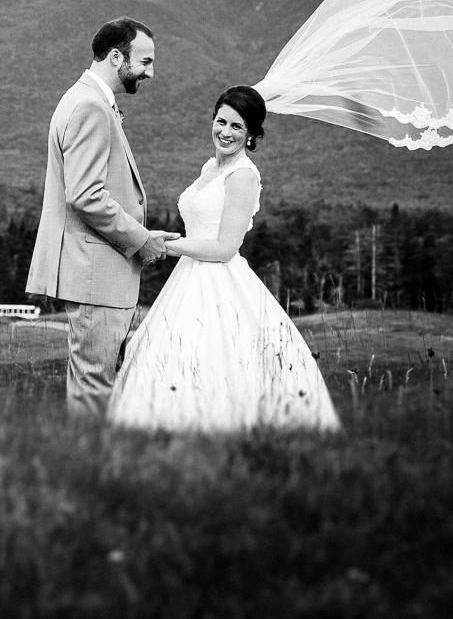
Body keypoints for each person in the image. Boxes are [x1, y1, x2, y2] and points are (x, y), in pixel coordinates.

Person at [107, 85, 340, 433]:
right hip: (187, 278)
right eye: (221, 121)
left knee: (219, 360)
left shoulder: (243, 176)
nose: (225, 132)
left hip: (220, 278)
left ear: (251, 135)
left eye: (237, 127)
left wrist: (164, 244)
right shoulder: (208, 168)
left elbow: (224, 247)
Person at [26, 17, 178, 416]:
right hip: (96, 276)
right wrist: (141, 239)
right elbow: (86, 196)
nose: (150, 72)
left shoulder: (80, 99)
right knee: (95, 389)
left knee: (92, 386)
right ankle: (90, 471)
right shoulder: (91, 107)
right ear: (116, 56)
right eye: (145, 61)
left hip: (93, 274)